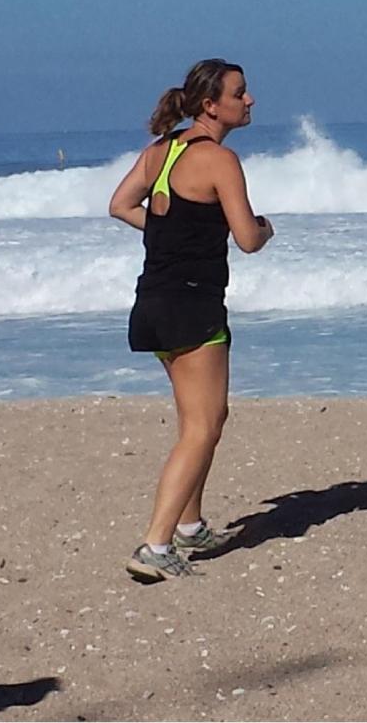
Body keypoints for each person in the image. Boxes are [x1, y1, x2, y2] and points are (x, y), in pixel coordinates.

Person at [109, 59, 274, 581]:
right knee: (202, 427)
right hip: (193, 304)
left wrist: (169, 235)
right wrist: (267, 228)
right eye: (240, 94)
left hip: (152, 303)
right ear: (212, 105)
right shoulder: (219, 160)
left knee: (202, 421)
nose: (249, 101)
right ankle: (155, 546)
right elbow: (247, 239)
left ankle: (190, 526)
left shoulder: (160, 150)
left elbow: (120, 204)